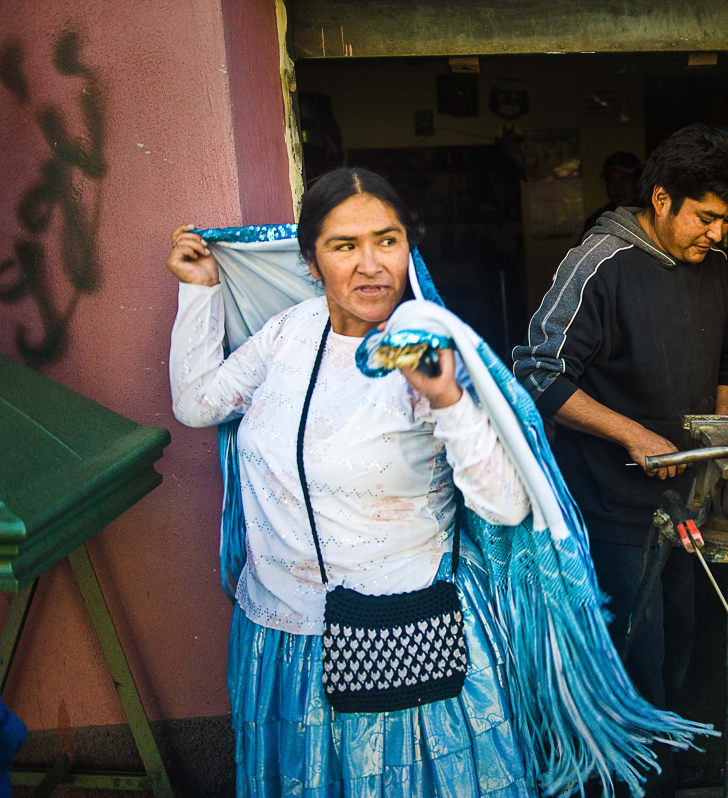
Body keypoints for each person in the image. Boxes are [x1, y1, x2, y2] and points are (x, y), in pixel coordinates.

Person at [167, 168, 536, 797]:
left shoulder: (425, 348)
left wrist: (447, 398)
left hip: (403, 636)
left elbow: (504, 506)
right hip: (286, 637)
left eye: (386, 241)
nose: (371, 266)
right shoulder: (290, 332)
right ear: (312, 261)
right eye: (344, 246)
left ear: (408, 249)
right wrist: (200, 292)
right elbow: (199, 404)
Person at [512, 123, 728, 795]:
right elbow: (538, 374)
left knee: (683, 641)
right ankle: (626, 780)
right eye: (707, 218)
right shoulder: (597, 265)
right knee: (631, 656)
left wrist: (717, 417)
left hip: (691, 505)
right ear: (660, 199)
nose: (718, 235)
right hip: (614, 509)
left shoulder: (716, 271)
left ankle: (663, 766)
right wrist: (633, 435)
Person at [580, 151, 642, 243]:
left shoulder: (653, 216)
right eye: (611, 180)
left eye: (624, 179)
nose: (617, 187)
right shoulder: (598, 220)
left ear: (638, 180)